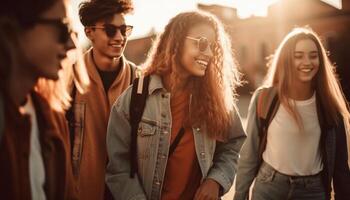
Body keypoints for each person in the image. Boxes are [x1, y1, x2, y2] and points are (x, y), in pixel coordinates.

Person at [106, 11, 246, 200]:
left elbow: (232, 144)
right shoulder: (135, 98)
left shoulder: (216, 97)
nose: (210, 53)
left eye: (213, 47)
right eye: (203, 43)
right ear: (176, 43)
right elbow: (118, 167)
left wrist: (216, 180)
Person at [234, 27, 350, 200]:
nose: (307, 62)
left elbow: (341, 167)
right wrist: (240, 195)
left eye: (313, 55)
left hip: (313, 191)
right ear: (287, 59)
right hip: (268, 187)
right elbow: (248, 154)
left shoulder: (329, 105)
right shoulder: (265, 97)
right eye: (298, 56)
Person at [0, 0, 89, 199]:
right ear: (11, 29)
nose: (72, 45)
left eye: (72, 33)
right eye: (62, 28)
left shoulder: (53, 120)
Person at [69, 0, 136, 199]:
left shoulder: (141, 82)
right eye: (110, 30)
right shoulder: (68, 79)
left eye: (125, 30)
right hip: (79, 191)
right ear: (89, 32)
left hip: (127, 193)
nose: (119, 37)